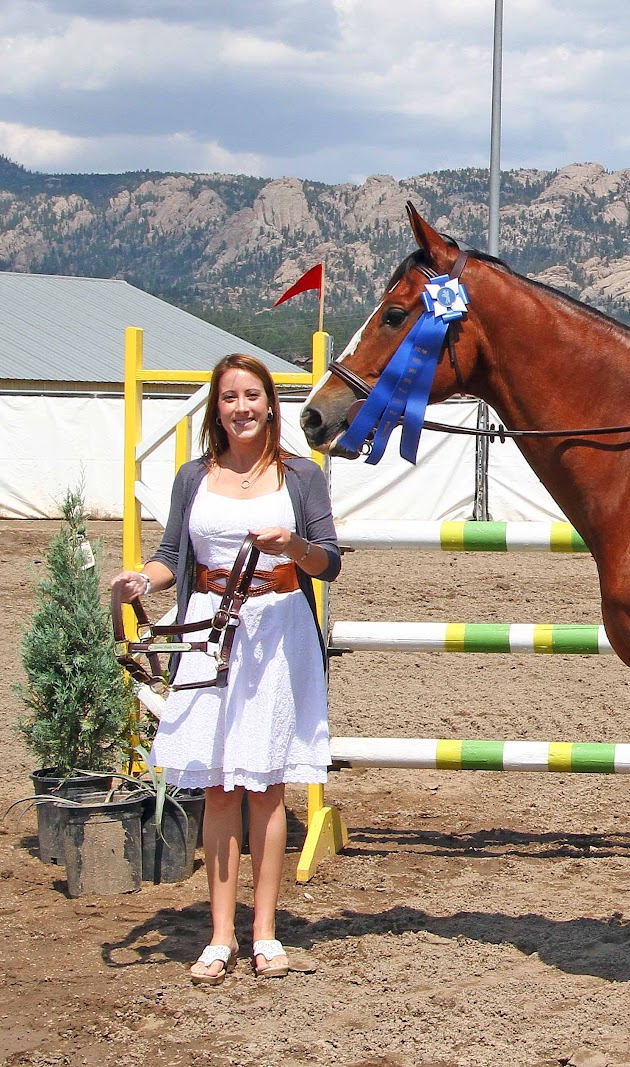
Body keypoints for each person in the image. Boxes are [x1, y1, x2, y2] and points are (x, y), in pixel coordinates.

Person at [111, 353, 340, 985]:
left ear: (271, 405)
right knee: (218, 787)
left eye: (252, 396)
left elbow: (329, 563)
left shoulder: (301, 477)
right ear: (218, 407)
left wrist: (291, 546)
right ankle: (219, 937)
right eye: (229, 397)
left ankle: (264, 932)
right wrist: (140, 581)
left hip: (278, 631)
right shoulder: (192, 476)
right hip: (209, 631)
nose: (241, 408)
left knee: (266, 788)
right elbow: (171, 558)